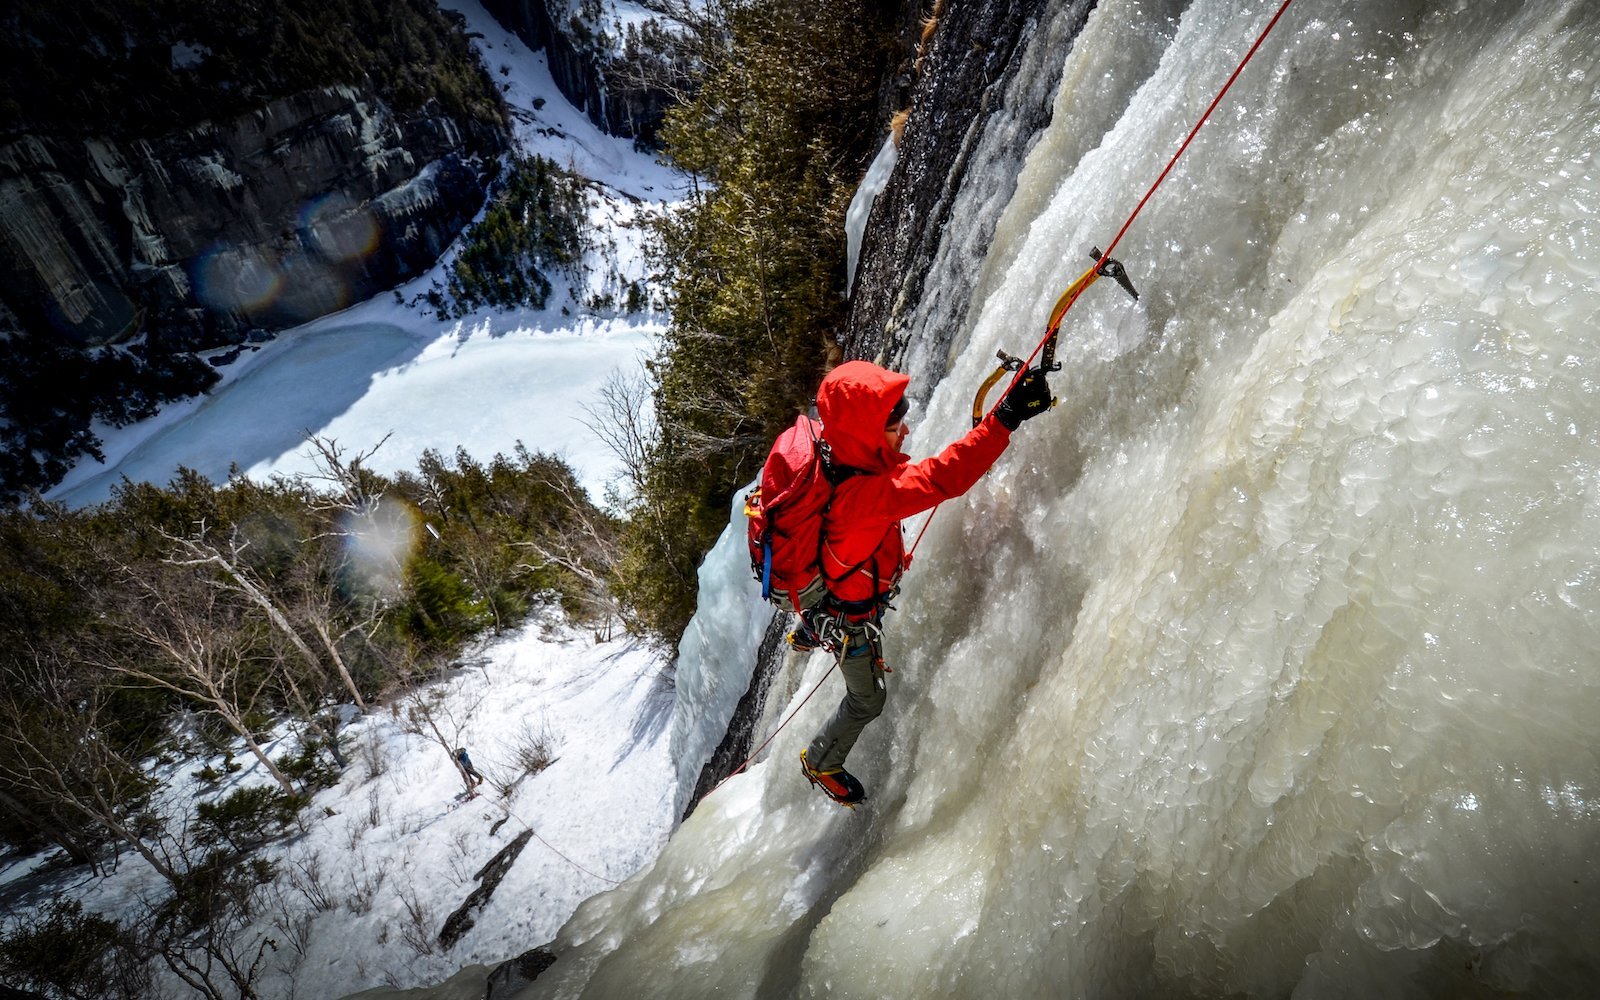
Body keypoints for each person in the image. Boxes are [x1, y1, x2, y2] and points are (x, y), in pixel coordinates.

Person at [798, 359, 1054, 803]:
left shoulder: (832, 449)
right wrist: (1006, 416)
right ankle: (821, 760)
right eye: (894, 424)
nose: (906, 432)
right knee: (868, 701)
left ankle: (807, 624)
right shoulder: (864, 499)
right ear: (864, 431)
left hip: (835, 590)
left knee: (841, 600)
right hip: (849, 617)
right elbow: (941, 477)